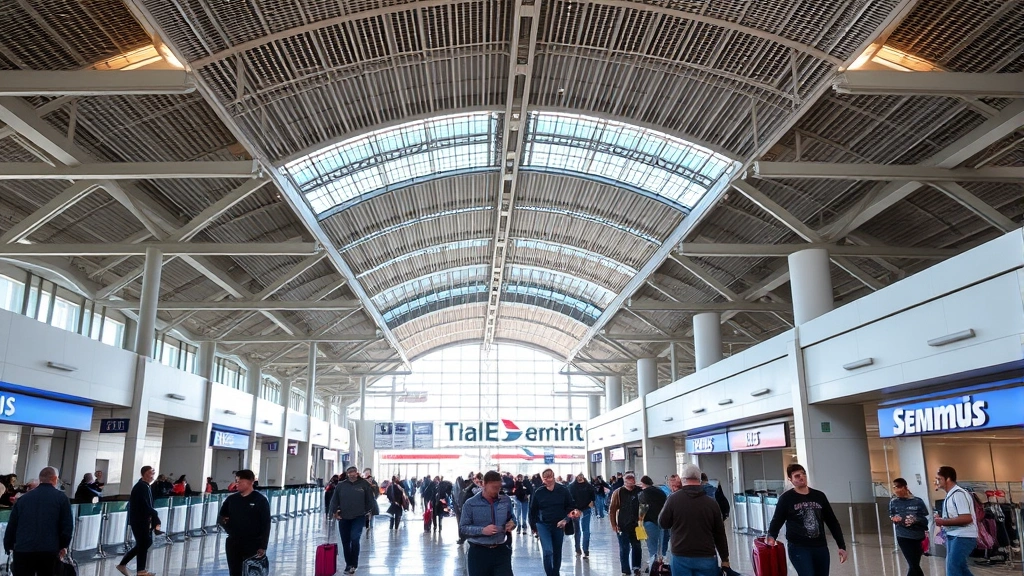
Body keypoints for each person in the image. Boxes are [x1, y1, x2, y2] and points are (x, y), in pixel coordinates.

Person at [766, 464, 847, 576]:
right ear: (791, 480)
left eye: (803, 474)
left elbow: (832, 521)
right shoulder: (786, 498)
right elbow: (777, 520)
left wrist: (841, 546)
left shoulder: (819, 496)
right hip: (799, 547)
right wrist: (771, 536)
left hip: (820, 546)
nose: (802, 477)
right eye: (797, 476)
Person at [658, 464, 730, 576]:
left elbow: (663, 523)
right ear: (700, 480)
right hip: (706, 556)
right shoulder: (712, 503)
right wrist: (725, 559)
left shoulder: (673, 499)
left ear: (682, 479)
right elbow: (720, 534)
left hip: (680, 555)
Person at [3, 466, 73, 576]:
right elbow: (67, 525)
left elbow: (12, 525)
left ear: (40, 479)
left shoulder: (23, 499)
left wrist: (8, 545)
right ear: (55, 479)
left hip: (23, 550)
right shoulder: (61, 498)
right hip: (49, 550)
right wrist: (63, 545)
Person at [459, 471, 516, 576]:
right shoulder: (470, 503)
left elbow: (512, 518)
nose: (497, 490)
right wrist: (482, 530)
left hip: (501, 551)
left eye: (498, 487)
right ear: (483, 484)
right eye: (493, 487)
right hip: (478, 553)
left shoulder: (505, 500)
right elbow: (463, 527)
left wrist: (512, 523)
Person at [219, 470, 271, 576]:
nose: (237, 484)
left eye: (240, 481)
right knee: (235, 572)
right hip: (234, 543)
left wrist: (263, 545)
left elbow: (266, 524)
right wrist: (230, 528)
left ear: (251, 482)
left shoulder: (260, 500)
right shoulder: (231, 499)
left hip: (253, 543)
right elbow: (222, 517)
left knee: (251, 571)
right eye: (236, 481)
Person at [528, 468, 579, 576]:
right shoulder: (539, 492)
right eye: (545, 479)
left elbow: (572, 508)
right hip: (543, 525)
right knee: (547, 551)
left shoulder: (563, 490)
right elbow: (532, 510)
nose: (548, 481)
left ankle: (556, 573)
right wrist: (534, 527)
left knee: (557, 552)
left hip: (558, 524)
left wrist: (566, 520)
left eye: (550, 478)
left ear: (554, 477)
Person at [117, 466, 162, 576]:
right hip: (139, 520)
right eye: (150, 473)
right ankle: (140, 570)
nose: (152, 476)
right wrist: (154, 513)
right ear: (144, 474)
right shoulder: (141, 487)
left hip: (143, 520)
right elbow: (144, 504)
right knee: (144, 542)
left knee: (145, 542)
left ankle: (124, 565)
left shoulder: (146, 486)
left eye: (153, 473)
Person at [330, 466, 374, 575]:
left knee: (355, 538)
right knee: (345, 542)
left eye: (353, 472)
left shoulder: (364, 484)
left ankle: (354, 563)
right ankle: (348, 564)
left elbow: (370, 500)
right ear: (347, 474)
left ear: (357, 473)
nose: (352, 474)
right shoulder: (341, 486)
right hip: (344, 517)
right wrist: (334, 512)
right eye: (349, 472)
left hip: (358, 517)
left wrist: (367, 511)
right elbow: (334, 500)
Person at [934, 465, 977, 576]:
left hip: (963, 536)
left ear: (948, 479)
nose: (936, 482)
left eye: (939, 479)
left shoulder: (958, 494)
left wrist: (943, 522)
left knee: (952, 567)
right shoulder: (951, 495)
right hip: (954, 535)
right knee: (960, 567)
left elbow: (966, 518)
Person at [889, 477, 929, 576]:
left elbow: (925, 519)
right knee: (913, 564)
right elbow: (891, 515)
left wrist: (915, 519)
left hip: (917, 536)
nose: (896, 490)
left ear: (905, 487)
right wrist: (894, 519)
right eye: (894, 487)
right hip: (903, 536)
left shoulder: (918, 501)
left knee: (914, 564)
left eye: (899, 487)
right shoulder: (893, 502)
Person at [609, 471, 643, 576]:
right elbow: (612, 510)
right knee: (624, 548)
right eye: (628, 482)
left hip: (637, 525)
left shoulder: (640, 491)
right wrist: (614, 524)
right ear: (624, 482)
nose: (631, 484)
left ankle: (636, 567)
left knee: (637, 546)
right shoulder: (618, 493)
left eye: (632, 481)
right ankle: (625, 570)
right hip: (622, 525)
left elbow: (645, 506)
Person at [639, 475, 669, 564]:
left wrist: (640, 523)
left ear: (643, 484)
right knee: (660, 545)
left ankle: (653, 565)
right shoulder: (661, 492)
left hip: (649, 522)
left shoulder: (643, 494)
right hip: (661, 521)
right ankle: (661, 562)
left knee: (652, 547)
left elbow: (642, 509)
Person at [568, 473, 596, 558]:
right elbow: (570, 498)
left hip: (583, 509)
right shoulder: (573, 487)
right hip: (578, 510)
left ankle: (583, 549)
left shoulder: (586, 486)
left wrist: (591, 503)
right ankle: (580, 549)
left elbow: (593, 498)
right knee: (580, 530)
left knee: (583, 530)